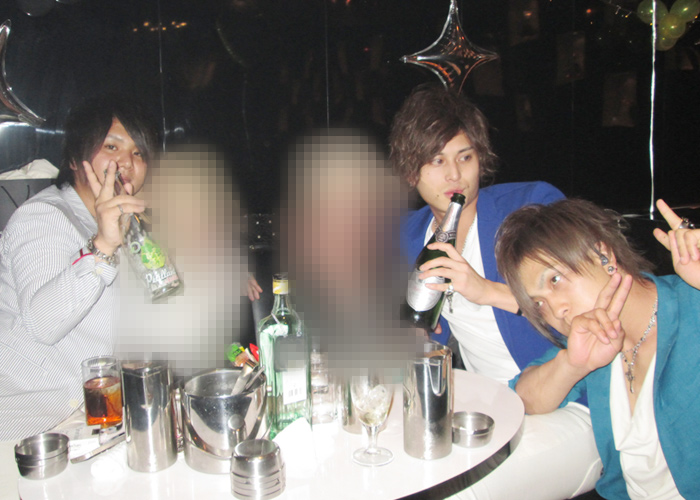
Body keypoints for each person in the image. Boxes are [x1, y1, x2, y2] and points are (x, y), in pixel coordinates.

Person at [392, 84, 601, 499]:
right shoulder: (410, 235)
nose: (455, 175)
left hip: (573, 399)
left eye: (465, 157)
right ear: (411, 172)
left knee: (459, 492)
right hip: (486, 404)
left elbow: (591, 307)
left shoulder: (529, 207)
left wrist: (486, 290)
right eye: (437, 160)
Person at [496, 198, 700, 499]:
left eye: (555, 280)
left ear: (603, 254)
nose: (556, 310)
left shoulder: (691, 302)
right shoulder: (594, 339)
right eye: (539, 303)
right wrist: (573, 365)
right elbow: (523, 398)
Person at [0, 95, 158, 440]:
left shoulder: (127, 226)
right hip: (26, 424)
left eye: (138, 153)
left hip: (93, 419)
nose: (126, 162)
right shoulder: (45, 217)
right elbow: (43, 324)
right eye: (112, 147)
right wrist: (102, 247)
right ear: (74, 159)